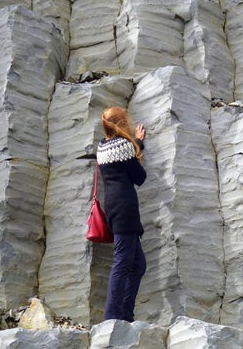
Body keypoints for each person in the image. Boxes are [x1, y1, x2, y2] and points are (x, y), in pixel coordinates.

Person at [96, 106, 147, 322]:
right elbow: (139, 176)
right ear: (122, 122)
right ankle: (113, 317)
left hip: (115, 208)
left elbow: (123, 162)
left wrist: (136, 144)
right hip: (125, 209)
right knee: (122, 263)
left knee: (137, 265)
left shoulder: (102, 146)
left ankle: (125, 315)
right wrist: (139, 143)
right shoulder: (124, 145)